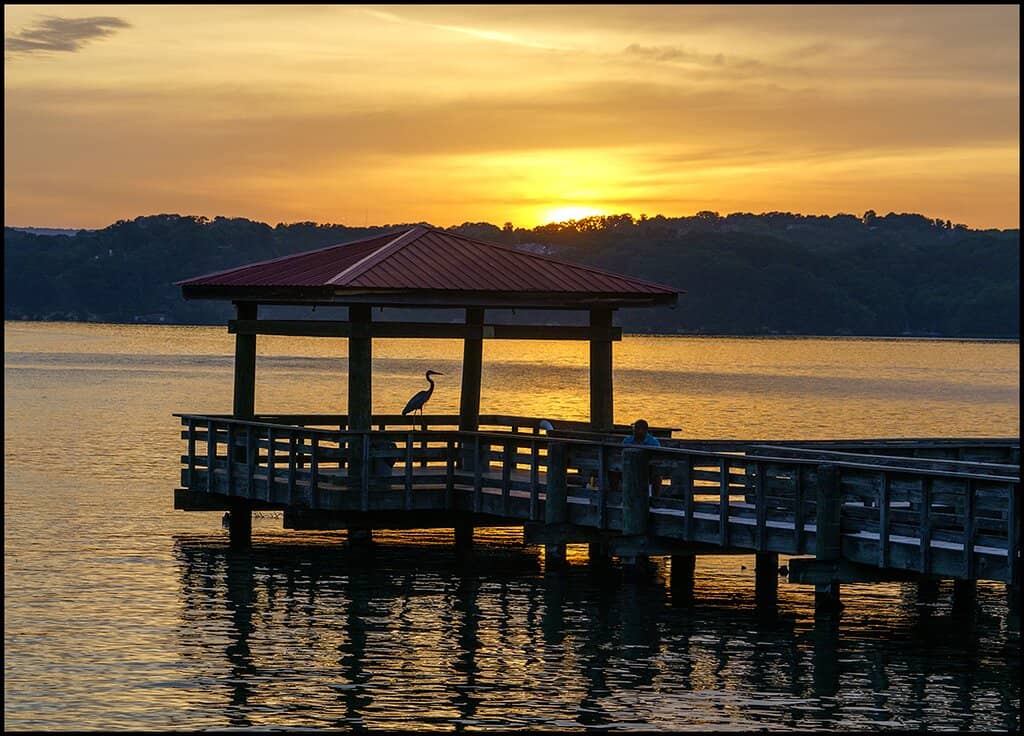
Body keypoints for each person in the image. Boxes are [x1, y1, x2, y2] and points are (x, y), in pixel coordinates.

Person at [622, 419, 662, 496]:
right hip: (629, 467)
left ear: (645, 430)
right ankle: (615, 496)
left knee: (656, 475)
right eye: (634, 428)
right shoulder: (627, 440)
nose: (634, 430)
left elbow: (658, 459)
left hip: (647, 468)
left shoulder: (653, 442)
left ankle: (655, 499)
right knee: (614, 470)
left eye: (637, 428)